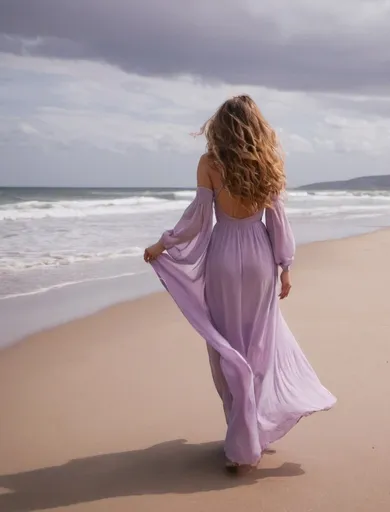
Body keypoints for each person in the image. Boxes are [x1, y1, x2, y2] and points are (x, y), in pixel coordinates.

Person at [144, 95, 336, 474]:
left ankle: (242, 438)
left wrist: (162, 244)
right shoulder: (268, 163)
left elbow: (198, 220)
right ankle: (251, 433)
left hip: (224, 259)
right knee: (258, 346)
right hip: (259, 259)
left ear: (219, 126)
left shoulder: (209, 164)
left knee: (227, 347)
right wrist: (284, 266)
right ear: (256, 126)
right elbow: (278, 222)